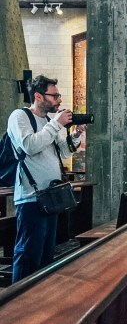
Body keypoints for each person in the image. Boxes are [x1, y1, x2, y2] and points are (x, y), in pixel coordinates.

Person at [7, 74, 86, 283]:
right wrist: (56, 124)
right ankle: (20, 298)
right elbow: (29, 145)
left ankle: (41, 297)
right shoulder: (20, 116)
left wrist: (76, 135)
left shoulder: (48, 121)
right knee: (28, 254)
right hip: (31, 198)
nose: (59, 100)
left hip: (50, 198)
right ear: (38, 96)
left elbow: (64, 152)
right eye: (55, 96)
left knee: (46, 256)